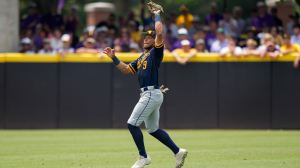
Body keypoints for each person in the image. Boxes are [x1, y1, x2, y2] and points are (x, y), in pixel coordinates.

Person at [103, 6, 187, 168]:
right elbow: (127, 70)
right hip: (149, 94)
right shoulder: (142, 56)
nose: (147, 38)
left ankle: (143, 157)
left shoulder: (156, 52)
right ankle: (178, 151)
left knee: (132, 123)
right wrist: (114, 58)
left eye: (150, 37)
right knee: (153, 129)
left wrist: (156, 15)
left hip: (151, 93)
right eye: (146, 37)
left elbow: (160, 32)